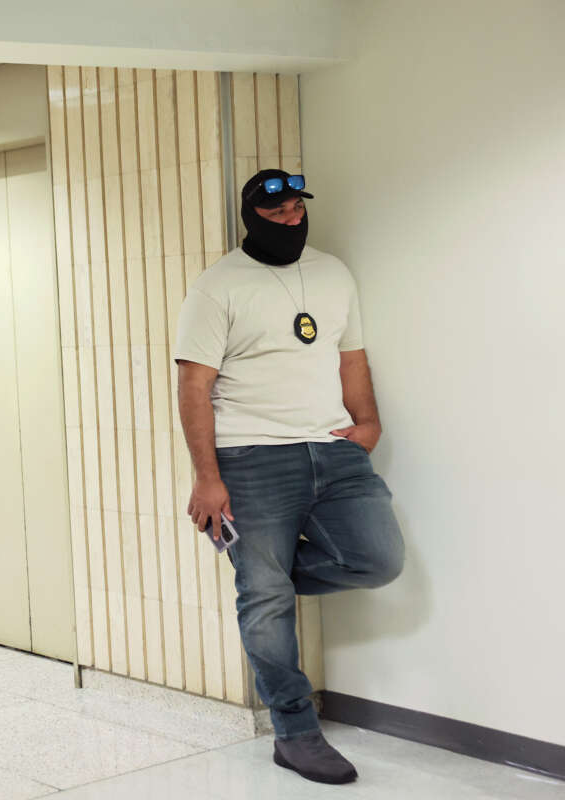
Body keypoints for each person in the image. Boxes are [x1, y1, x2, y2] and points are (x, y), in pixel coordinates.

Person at [174, 169, 404, 785]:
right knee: (266, 596)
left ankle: (263, 583)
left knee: (378, 559)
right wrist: (207, 478)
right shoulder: (217, 287)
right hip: (249, 458)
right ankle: (296, 732)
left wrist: (369, 423)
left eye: (297, 209)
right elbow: (194, 385)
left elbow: (349, 356)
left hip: (333, 450)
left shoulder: (333, 272)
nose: (291, 220)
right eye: (276, 214)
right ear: (252, 217)